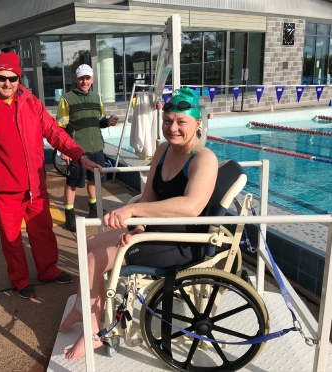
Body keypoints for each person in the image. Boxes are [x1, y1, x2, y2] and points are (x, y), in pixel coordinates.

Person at [58, 87, 218, 359]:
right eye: (168, 121)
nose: (173, 128)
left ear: (198, 123)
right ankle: (81, 308)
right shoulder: (163, 150)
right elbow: (149, 196)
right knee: (88, 246)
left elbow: (192, 207)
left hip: (180, 242)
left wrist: (135, 213)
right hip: (155, 230)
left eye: (182, 122)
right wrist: (136, 224)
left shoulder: (204, 159)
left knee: (95, 259)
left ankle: (95, 327)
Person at [0, 52, 103, 299]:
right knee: (12, 239)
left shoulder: (30, 102)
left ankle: (48, 270)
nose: (7, 83)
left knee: (43, 232)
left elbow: (55, 133)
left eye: (13, 78)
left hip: (35, 187)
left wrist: (80, 156)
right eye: (1, 78)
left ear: (19, 78)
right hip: (4, 190)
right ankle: (19, 280)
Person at [56, 64, 119, 232]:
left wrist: (108, 122)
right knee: (72, 183)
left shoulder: (96, 97)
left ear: (92, 79)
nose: (84, 81)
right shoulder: (66, 99)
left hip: (96, 147)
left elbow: (99, 121)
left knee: (94, 179)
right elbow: (60, 128)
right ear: (76, 79)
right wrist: (64, 150)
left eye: (88, 78)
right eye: (81, 78)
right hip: (77, 151)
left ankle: (94, 210)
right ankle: (69, 215)